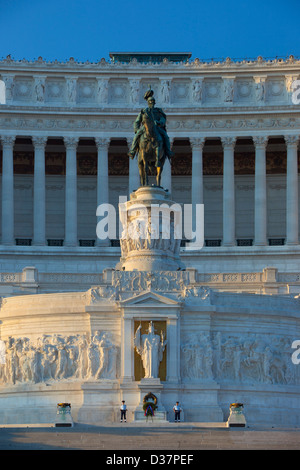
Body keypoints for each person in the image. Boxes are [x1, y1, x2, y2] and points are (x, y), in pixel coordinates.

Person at [128, 88, 174, 162]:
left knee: (165, 136)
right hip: (145, 128)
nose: (152, 103)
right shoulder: (144, 111)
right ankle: (133, 151)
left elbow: (163, 118)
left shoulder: (158, 111)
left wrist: (159, 122)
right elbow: (137, 122)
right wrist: (137, 130)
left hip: (157, 127)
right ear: (148, 103)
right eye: (150, 102)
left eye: (153, 102)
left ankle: (168, 151)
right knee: (136, 136)